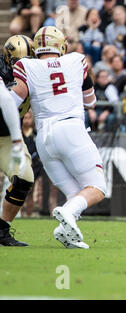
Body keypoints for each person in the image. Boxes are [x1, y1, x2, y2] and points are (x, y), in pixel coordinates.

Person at [11, 26, 107, 249]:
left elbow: (13, 102)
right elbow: (90, 101)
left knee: (75, 194)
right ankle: (65, 214)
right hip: (71, 130)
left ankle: (67, 235)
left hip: (44, 137)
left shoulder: (25, 65)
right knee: (97, 187)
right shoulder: (76, 60)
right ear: (60, 45)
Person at [0, 35, 35, 246]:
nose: (23, 65)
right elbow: (5, 101)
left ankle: (2, 230)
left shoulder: (35, 72)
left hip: (6, 138)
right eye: (19, 61)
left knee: (24, 177)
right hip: (8, 135)